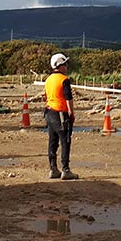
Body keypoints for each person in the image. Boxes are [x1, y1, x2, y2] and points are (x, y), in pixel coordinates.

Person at [43, 52, 78, 180]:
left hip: (49, 112)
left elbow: (47, 96)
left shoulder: (48, 80)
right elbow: (68, 97)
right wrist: (71, 113)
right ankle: (65, 170)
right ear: (59, 65)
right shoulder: (64, 80)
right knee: (65, 141)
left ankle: (53, 169)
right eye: (65, 64)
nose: (66, 67)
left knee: (52, 142)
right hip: (61, 113)